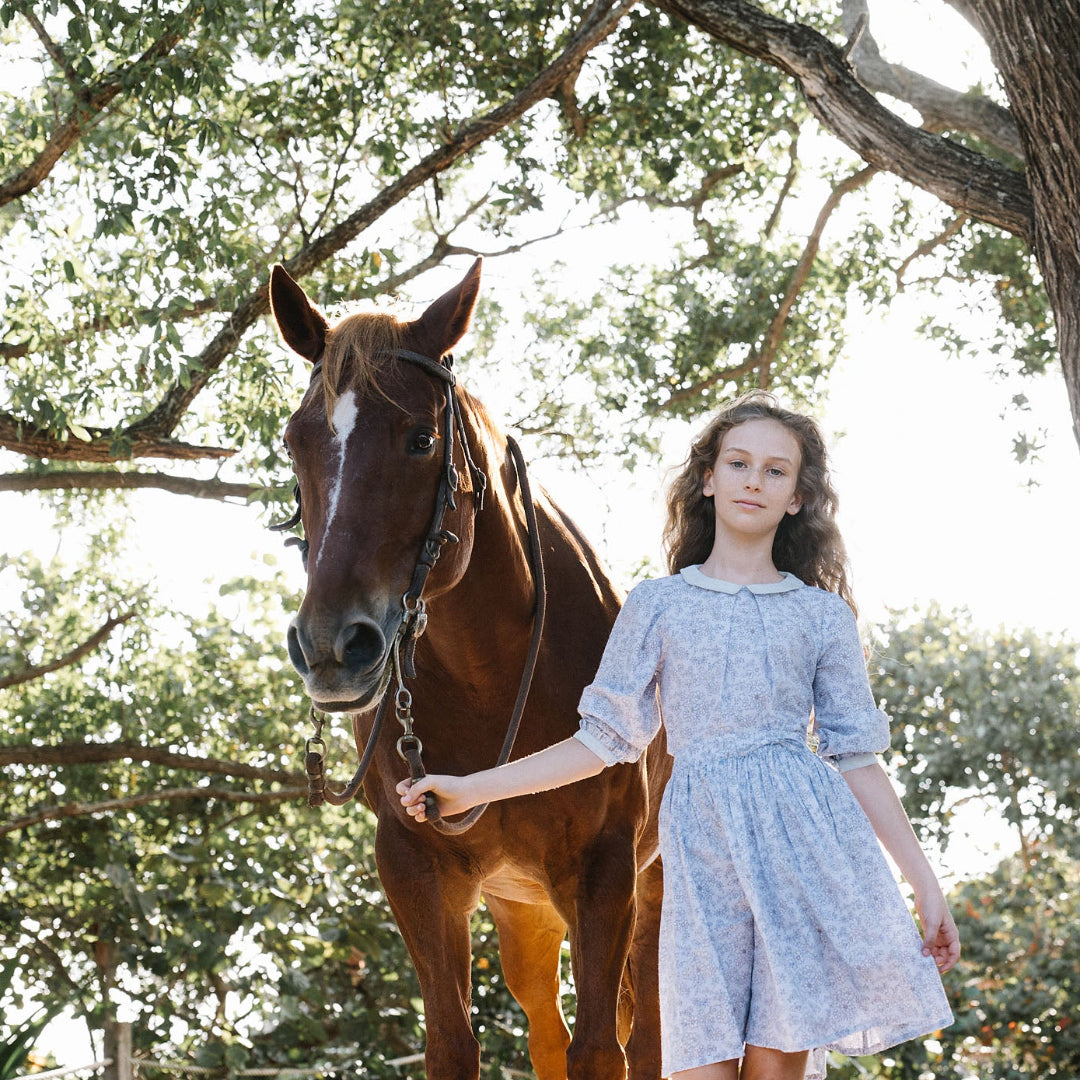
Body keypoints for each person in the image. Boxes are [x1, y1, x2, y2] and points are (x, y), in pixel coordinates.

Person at [398, 390, 959, 1080]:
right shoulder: (657, 606)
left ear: (797, 499)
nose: (754, 479)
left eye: (776, 471)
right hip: (702, 859)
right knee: (696, 1063)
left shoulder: (822, 618)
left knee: (778, 1068)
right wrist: (470, 787)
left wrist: (924, 887)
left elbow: (858, 759)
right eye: (739, 462)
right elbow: (602, 741)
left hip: (801, 854)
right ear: (708, 479)